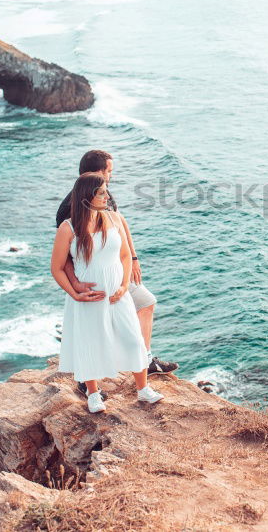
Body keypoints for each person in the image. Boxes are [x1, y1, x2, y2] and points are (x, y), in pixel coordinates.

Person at [55, 150, 178, 376]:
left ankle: (144, 359)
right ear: (97, 172)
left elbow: (120, 222)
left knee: (145, 303)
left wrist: (132, 257)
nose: (111, 177)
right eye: (109, 171)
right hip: (92, 275)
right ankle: (88, 378)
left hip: (116, 268)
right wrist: (75, 284)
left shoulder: (104, 196)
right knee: (99, 324)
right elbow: (67, 256)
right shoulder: (68, 208)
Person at [51, 172, 164, 412]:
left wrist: (124, 286)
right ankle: (93, 394)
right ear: (86, 196)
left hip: (118, 295)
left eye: (105, 191)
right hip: (88, 298)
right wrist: (75, 293)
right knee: (90, 343)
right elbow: (57, 268)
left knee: (134, 340)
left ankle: (143, 389)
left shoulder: (113, 218)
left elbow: (124, 256)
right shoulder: (68, 228)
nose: (107, 196)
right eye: (101, 192)